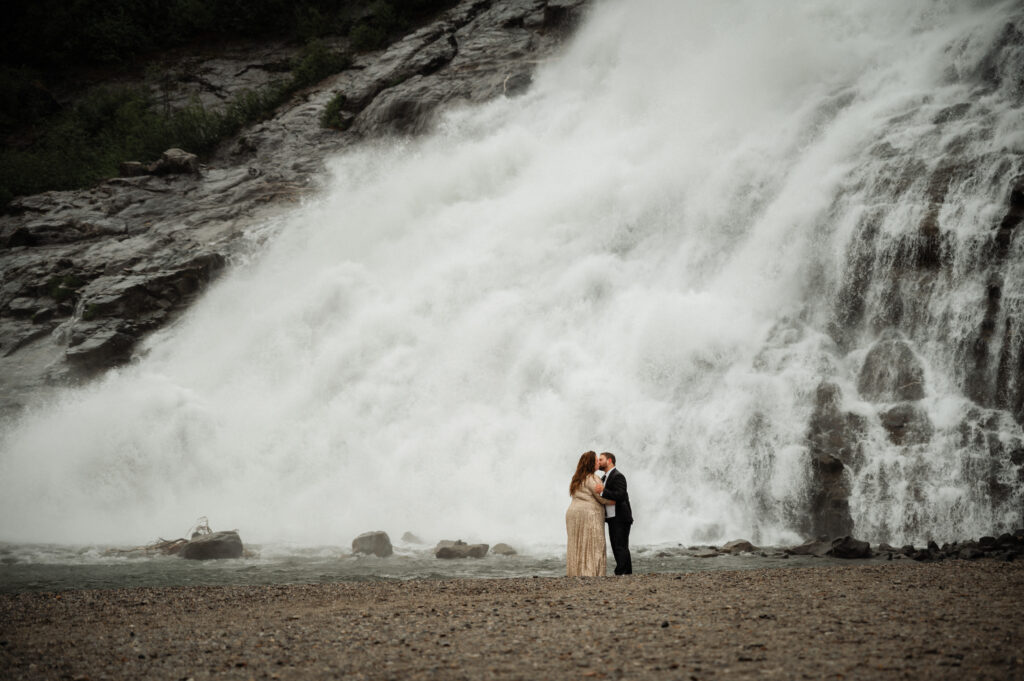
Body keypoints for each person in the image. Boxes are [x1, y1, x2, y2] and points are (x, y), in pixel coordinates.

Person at [565, 450, 615, 576]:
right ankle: (591, 573)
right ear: (591, 463)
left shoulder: (576, 478)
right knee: (593, 543)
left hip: (573, 513)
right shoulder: (593, 478)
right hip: (589, 514)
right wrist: (615, 500)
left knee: (577, 544)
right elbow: (601, 497)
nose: (598, 462)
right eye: (596, 460)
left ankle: (576, 572)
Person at [598, 451, 633, 575]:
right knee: (618, 546)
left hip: (621, 517)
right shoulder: (604, 477)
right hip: (613, 518)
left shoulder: (618, 476)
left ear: (609, 461)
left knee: (620, 546)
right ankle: (627, 573)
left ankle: (621, 572)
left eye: (601, 459)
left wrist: (603, 491)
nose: (598, 462)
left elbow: (621, 495)